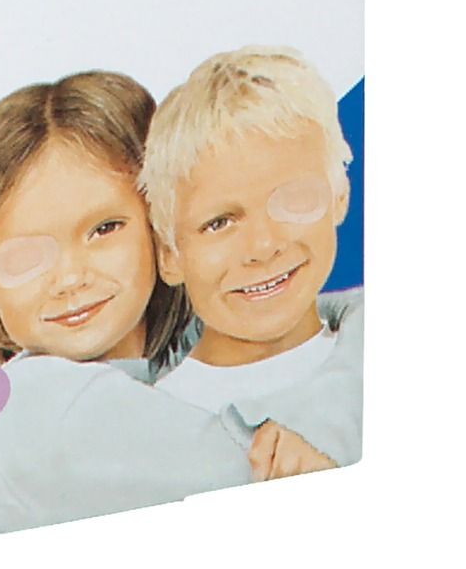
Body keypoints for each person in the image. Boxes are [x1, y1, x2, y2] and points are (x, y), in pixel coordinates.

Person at [0, 71, 337, 535]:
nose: (71, 278)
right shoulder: (34, 400)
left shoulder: (172, 372)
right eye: (27, 254)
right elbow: (277, 477)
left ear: (162, 229)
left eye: (104, 229)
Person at [140, 46, 363, 468]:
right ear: (169, 254)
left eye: (292, 199)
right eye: (220, 223)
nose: (263, 246)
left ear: (339, 196)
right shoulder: (152, 425)